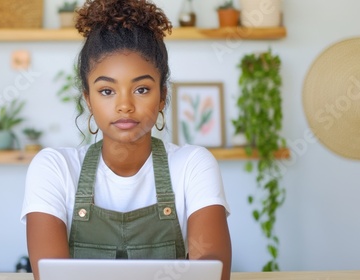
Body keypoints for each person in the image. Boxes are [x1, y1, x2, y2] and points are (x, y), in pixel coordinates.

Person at [21, 0, 231, 279]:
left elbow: (211, 272)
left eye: (141, 89)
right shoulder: (54, 169)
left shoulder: (193, 166)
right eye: (107, 91)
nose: (124, 105)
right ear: (88, 99)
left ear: (162, 98)